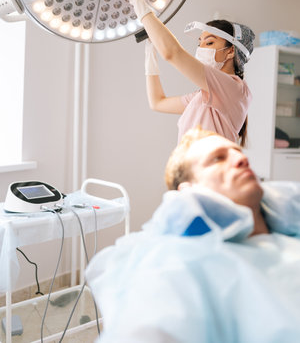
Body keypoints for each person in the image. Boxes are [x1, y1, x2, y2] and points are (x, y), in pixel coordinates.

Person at [86, 126, 300, 343]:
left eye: (239, 152)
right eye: (218, 159)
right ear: (189, 191)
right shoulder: (179, 262)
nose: (241, 160)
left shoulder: (291, 234)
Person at [102, 0, 255, 145]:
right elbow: (157, 102)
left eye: (210, 42)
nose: (201, 48)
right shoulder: (203, 96)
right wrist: (150, 55)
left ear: (231, 51)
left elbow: (172, 53)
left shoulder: (235, 89)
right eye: (200, 43)